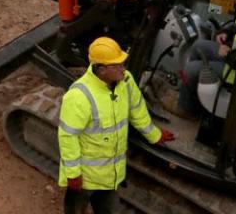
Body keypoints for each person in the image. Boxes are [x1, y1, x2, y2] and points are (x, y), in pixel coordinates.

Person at [59, 37, 174, 213]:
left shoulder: (125, 81)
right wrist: (73, 173)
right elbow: (68, 136)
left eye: (123, 63)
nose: (124, 69)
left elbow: (137, 109)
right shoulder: (79, 96)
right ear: (101, 69)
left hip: (110, 174)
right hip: (86, 176)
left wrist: (154, 135)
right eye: (117, 65)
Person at [179, 0, 236, 117]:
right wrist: (224, 32)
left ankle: (188, 110)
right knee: (198, 46)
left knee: (191, 69)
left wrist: (228, 54)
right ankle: (193, 97)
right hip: (232, 58)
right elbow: (235, 27)